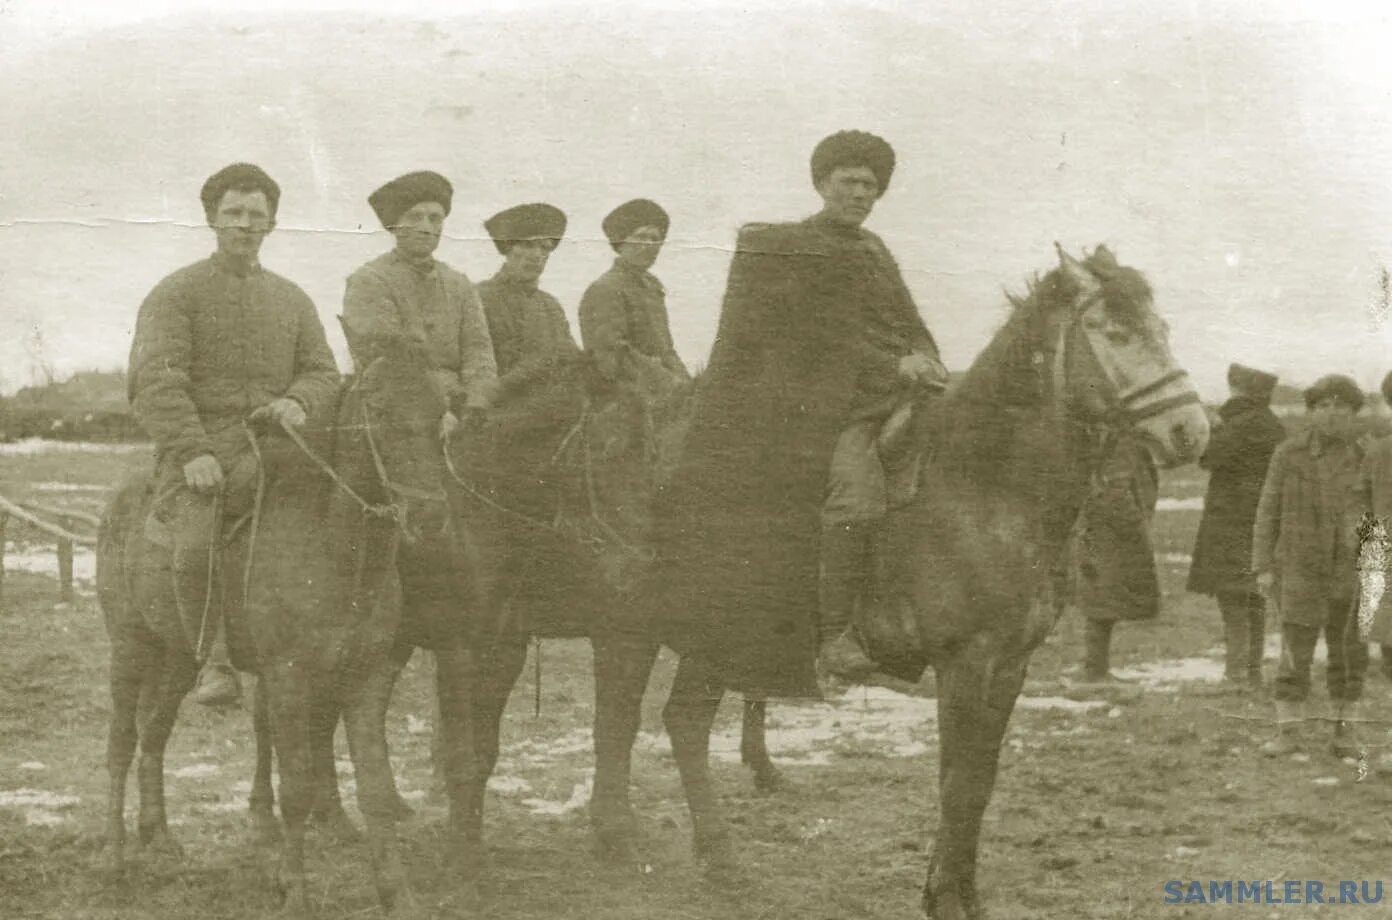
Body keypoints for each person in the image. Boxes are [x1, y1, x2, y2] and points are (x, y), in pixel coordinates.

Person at [651, 130, 947, 698]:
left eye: (870, 185)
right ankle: (836, 635)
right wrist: (895, 366)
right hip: (835, 408)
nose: (861, 194)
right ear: (821, 184)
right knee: (856, 497)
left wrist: (928, 358)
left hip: (902, 397)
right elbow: (811, 342)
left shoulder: (874, 250)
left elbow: (910, 322)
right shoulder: (794, 248)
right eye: (849, 182)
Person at [127, 163, 340, 707]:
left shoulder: (292, 300)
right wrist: (192, 452)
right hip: (206, 451)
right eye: (234, 213)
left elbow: (322, 370)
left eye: (256, 216)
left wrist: (297, 400)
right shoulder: (177, 294)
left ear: (271, 224)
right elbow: (156, 382)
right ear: (211, 219)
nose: (245, 225)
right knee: (196, 545)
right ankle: (214, 659)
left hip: (283, 446)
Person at [1252, 374, 1367, 757]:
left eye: (1341, 407)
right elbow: (1267, 511)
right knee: (1293, 654)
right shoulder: (1288, 454)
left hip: (1350, 575)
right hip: (1299, 570)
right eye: (1323, 406)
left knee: (1347, 656)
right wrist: (1262, 565)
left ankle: (1344, 733)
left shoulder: (1368, 456)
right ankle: (1287, 733)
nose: (1332, 414)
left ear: (1353, 413)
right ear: (1311, 411)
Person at [342, 171, 499, 432]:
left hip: (460, 408)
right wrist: (441, 409)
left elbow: (479, 353)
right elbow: (389, 361)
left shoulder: (459, 285)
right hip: (394, 411)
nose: (426, 226)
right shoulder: (369, 280)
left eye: (435, 218)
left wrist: (475, 404)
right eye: (415, 217)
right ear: (395, 225)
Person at [1187, 363, 1285, 689]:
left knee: (1232, 600)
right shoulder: (1271, 423)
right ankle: (1252, 672)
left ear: (1236, 387)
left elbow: (1207, 457)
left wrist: (1213, 427)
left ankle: (1236, 674)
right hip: (1261, 521)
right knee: (1253, 599)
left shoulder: (1239, 422)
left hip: (1230, 521)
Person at [1071, 433, 1161, 686]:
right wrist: (1135, 524)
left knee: (1103, 602)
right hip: (1109, 534)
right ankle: (1094, 671)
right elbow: (1115, 492)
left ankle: (1097, 668)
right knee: (1101, 603)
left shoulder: (1116, 441)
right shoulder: (1121, 443)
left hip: (1106, 532)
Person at [578, 198, 690, 391]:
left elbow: (666, 351)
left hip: (660, 391)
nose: (649, 245)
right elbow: (613, 355)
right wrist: (671, 384)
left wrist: (688, 385)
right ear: (621, 243)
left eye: (655, 239)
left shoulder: (651, 288)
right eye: (640, 237)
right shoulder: (605, 288)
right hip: (624, 397)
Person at [476, 202, 580, 399]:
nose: (537, 255)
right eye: (527, 245)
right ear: (508, 249)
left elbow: (572, 358)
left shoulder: (551, 307)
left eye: (545, 248)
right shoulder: (479, 297)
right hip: (498, 407)